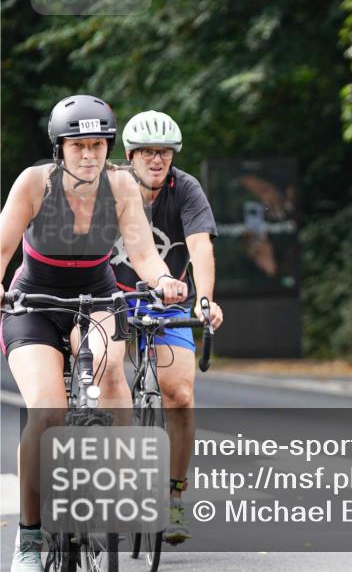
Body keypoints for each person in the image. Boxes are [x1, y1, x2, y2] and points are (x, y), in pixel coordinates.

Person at [1, 95, 188, 572]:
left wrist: (163, 281)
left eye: (98, 145)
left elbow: (143, 253)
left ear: (109, 149)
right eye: (78, 145)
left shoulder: (121, 186)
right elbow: (2, 249)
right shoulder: (33, 184)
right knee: (47, 410)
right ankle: (29, 538)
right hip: (36, 303)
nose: (89, 155)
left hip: (96, 296)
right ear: (59, 149)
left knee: (109, 378)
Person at [112, 110, 223, 545]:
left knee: (179, 394)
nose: (157, 161)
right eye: (147, 153)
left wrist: (205, 298)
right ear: (130, 155)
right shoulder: (110, 188)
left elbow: (200, 248)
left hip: (166, 300)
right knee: (102, 385)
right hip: (110, 296)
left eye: (164, 153)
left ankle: (175, 495)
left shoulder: (186, 188)